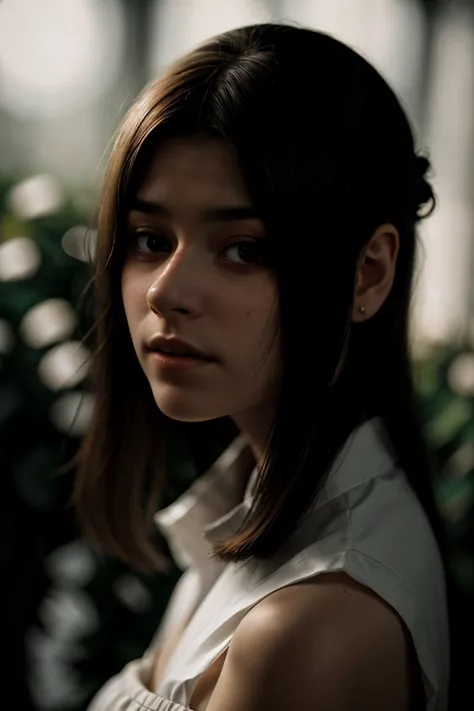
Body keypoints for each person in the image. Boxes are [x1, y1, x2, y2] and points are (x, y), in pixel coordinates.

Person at [75, 23, 452, 711]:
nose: (165, 291)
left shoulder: (310, 629)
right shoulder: (252, 511)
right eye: (151, 238)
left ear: (368, 274)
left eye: (245, 249)